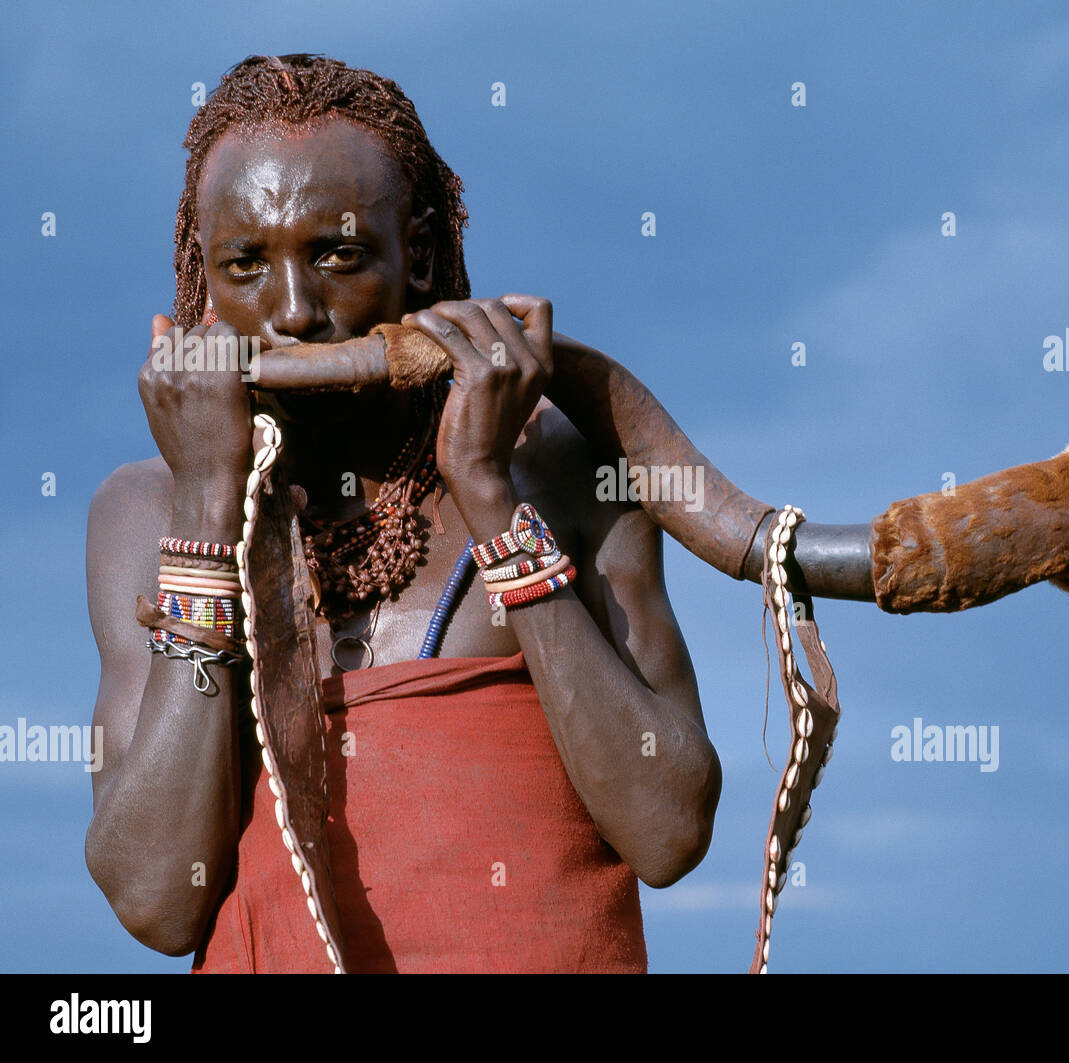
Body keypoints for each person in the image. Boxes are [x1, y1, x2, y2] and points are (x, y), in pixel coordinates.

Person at [84, 54, 722, 973]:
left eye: (337, 254)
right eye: (246, 265)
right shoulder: (145, 511)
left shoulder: (561, 464)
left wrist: (489, 495)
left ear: (416, 252)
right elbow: (156, 901)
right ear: (199, 273)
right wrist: (207, 504)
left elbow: (668, 829)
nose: (295, 313)